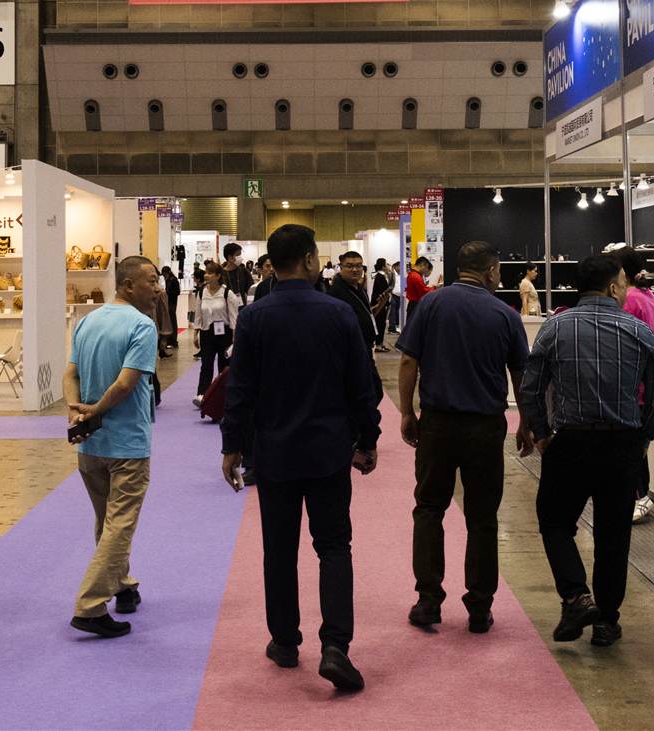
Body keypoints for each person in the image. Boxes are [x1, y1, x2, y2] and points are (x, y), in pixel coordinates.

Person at [221, 224, 382, 692]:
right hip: (329, 450)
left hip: (274, 453)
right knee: (333, 547)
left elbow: (240, 390)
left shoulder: (254, 317)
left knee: (279, 549)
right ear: (311, 260)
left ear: (271, 263)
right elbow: (361, 387)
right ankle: (335, 646)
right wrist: (367, 440)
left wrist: (232, 446)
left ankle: (286, 642)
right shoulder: (338, 313)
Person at [520, 255, 654, 649]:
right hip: (622, 445)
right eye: (623, 282)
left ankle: (575, 596)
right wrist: (644, 437)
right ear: (611, 287)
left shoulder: (556, 327)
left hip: (569, 441)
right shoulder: (639, 331)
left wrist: (541, 433)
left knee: (554, 522)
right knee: (613, 534)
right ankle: (606, 620)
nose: (626, 288)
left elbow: (531, 386)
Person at [397, 241, 529, 634]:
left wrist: (407, 411)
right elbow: (521, 375)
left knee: (429, 509)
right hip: (486, 428)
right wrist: (526, 420)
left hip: (437, 424)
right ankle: (479, 605)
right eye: (499, 270)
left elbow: (407, 360)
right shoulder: (505, 315)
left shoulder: (431, 305)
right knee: (483, 517)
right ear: (490, 271)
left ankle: (428, 600)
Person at [62, 256, 162, 639]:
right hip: (127, 444)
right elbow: (125, 385)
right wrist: (94, 410)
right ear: (127, 285)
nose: (157, 288)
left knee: (106, 520)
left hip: (90, 444)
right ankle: (89, 605)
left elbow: (70, 373)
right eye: (150, 281)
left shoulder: (89, 320)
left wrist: (77, 410)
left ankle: (121, 584)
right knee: (120, 524)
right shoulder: (142, 326)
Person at [617, 250, 654, 524]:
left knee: (631, 446)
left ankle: (639, 495)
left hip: (633, 381)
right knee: (636, 443)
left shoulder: (631, 298)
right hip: (643, 378)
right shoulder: (648, 296)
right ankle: (638, 494)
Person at [191, 261, 241, 407]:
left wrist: (234, 336)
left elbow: (233, 317)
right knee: (206, 364)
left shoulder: (227, 293)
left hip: (224, 333)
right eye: (206, 272)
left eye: (210, 273)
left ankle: (223, 396)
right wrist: (196, 333)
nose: (206, 275)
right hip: (207, 332)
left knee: (223, 366)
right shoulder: (201, 292)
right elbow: (199, 314)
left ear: (218, 276)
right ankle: (202, 394)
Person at [369, 258, 393, 352]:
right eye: (386, 264)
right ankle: (378, 345)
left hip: (381, 304)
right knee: (380, 324)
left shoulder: (381, 276)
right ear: (383, 266)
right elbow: (385, 291)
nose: (387, 266)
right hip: (379, 304)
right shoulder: (380, 276)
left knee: (381, 324)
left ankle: (381, 344)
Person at [404, 256, 433, 330]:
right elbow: (424, 292)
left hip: (413, 305)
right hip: (415, 305)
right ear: (423, 265)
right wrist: (435, 288)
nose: (425, 271)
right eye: (426, 268)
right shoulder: (415, 276)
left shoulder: (412, 274)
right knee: (414, 329)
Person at [159, 265, 181, 355]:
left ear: (167, 272)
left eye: (164, 274)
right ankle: (170, 340)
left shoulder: (174, 280)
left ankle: (173, 341)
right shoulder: (168, 279)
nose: (163, 276)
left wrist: (167, 292)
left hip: (172, 303)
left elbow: (177, 292)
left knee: (172, 321)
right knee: (169, 321)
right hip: (168, 303)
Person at [187, 267, 205, 357]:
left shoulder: (203, 289)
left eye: (194, 277)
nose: (193, 279)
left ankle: (204, 350)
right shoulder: (200, 288)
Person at [387, 261, 403, 334]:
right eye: (400, 266)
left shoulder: (402, 274)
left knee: (397, 312)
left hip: (400, 296)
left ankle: (397, 326)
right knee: (392, 312)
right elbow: (389, 284)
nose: (401, 267)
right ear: (396, 267)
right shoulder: (391, 274)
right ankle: (391, 328)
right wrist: (389, 293)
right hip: (393, 295)